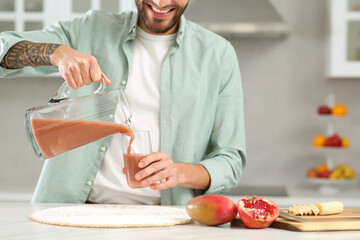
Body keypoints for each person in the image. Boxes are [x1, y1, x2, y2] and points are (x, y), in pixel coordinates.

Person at [0, 0, 246, 205]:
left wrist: (179, 172)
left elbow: (230, 160)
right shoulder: (90, 28)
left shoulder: (218, 55)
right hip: (71, 212)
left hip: (165, 221)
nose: (160, 3)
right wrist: (56, 53)